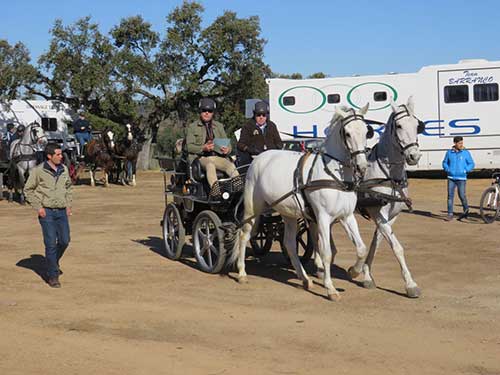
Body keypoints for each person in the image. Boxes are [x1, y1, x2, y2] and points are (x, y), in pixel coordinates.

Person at [25, 143, 72, 288]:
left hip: (62, 211)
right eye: (57, 154)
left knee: (64, 240)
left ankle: (52, 261)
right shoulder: (38, 171)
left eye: (61, 154)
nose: (61, 156)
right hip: (47, 212)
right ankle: (53, 275)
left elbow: (69, 187)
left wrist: (68, 204)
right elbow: (28, 190)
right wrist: (38, 208)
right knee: (50, 243)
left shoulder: (63, 169)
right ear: (49, 156)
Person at [185, 98, 239, 198]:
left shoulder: (218, 126)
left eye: (209, 111)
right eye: (204, 111)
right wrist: (203, 148)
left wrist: (227, 150)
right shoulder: (193, 127)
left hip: (217, 157)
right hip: (201, 159)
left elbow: (228, 144)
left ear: (213, 113)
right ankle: (216, 193)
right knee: (210, 165)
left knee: (230, 165)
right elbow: (189, 147)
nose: (207, 113)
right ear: (200, 112)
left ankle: (239, 191)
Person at [237, 101, 283, 166]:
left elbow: (279, 141)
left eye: (264, 115)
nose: (261, 117)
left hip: (271, 158)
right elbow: (240, 144)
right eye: (258, 115)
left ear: (267, 115)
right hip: (254, 158)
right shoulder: (248, 126)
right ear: (254, 114)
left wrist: (278, 147)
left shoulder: (272, 125)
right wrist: (249, 149)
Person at [442, 136, 475, 221]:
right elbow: (444, 162)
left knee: (462, 196)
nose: (461, 145)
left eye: (462, 143)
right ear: (455, 143)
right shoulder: (449, 153)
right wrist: (447, 169)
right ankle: (450, 214)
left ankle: (466, 210)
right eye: (459, 143)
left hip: (461, 178)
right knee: (450, 196)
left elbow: (471, 163)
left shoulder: (466, 153)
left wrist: (465, 170)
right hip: (451, 178)